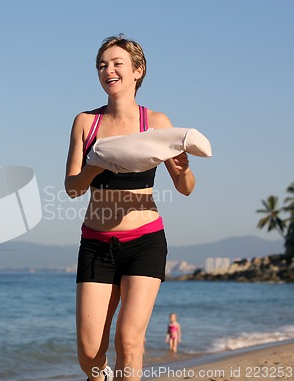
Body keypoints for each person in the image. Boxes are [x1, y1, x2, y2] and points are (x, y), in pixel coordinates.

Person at [65, 34, 196, 381]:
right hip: (96, 242)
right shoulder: (85, 122)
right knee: (89, 354)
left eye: (117, 63)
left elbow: (185, 188)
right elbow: (72, 188)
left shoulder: (155, 122)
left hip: (144, 242)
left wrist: (183, 169)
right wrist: (96, 163)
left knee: (129, 340)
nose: (108, 69)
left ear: (137, 71)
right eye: (102, 65)